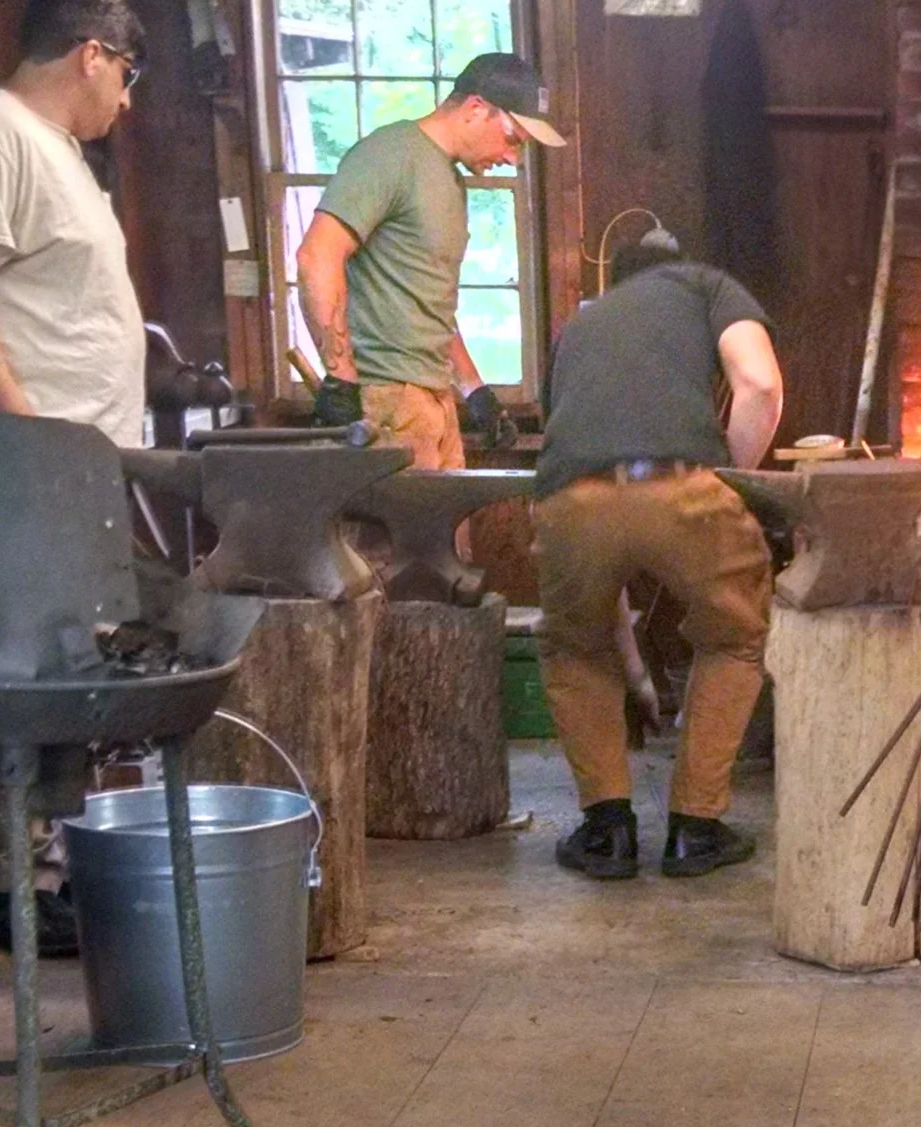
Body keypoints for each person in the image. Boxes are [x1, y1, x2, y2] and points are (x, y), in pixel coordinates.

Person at [0, 0, 148, 953]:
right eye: (128, 75)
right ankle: (12, 893)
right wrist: (21, 431)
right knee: (35, 682)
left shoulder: (56, 152)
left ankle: (30, 877)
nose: (129, 100)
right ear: (92, 55)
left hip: (71, 470)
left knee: (62, 677)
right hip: (27, 469)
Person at [532, 229, 784, 880]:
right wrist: (728, 483)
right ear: (680, 265)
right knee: (733, 637)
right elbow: (757, 384)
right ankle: (694, 829)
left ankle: (607, 832)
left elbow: (560, 426)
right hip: (682, 483)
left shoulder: (581, 323)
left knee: (575, 646)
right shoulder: (707, 285)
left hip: (572, 498)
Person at [297, 53, 564, 466]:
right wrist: (341, 381)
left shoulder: (450, 181)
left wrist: (475, 392)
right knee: (401, 531)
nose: (513, 158)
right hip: (385, 397)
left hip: (433, 397)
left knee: (443, 530)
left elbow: (427, 299)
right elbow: (317, 254)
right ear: (476, 108)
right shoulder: (390, 154)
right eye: (513, 138)